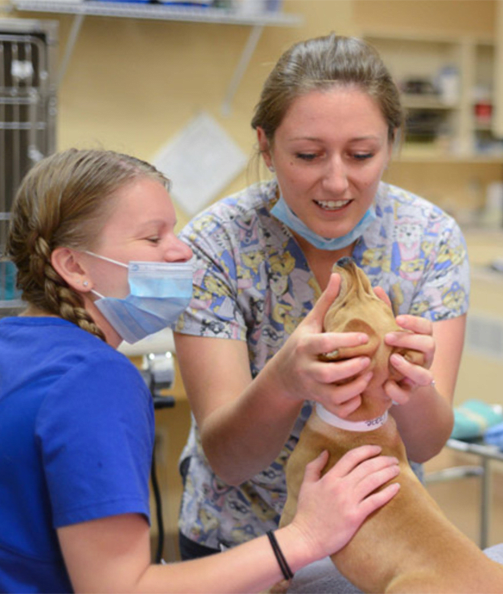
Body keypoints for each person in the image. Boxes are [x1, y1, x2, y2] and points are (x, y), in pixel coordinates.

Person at [0, 148, 402, 593]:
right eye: (153, 238)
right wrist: (306, 536)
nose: (181, 251)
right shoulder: (92, 380)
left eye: (174, 230)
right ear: (74, 266)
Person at [172, 34, 470, 559]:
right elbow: (229, 459)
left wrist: (412, 384)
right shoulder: (216, 246)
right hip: (240, 546)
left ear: (391, 144)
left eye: (361, 154)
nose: (336, 181)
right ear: (265, 146)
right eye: (308, 155)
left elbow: (426, 444)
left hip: (377, 542)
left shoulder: (428, 239)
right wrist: (285, 380)